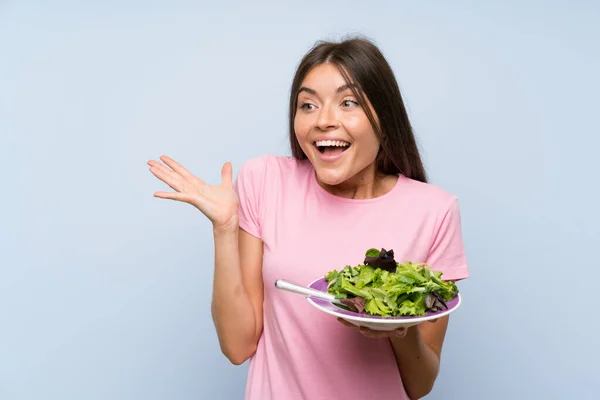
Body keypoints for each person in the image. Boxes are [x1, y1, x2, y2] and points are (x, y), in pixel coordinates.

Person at [148, 36, 469, 400]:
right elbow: (237, 347)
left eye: (348, 102)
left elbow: (420, 384)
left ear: (384, 115)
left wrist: (400, 326)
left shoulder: (435, 210)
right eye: (308, 105)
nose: (323, 120)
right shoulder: (264, 180)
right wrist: (224, 229)